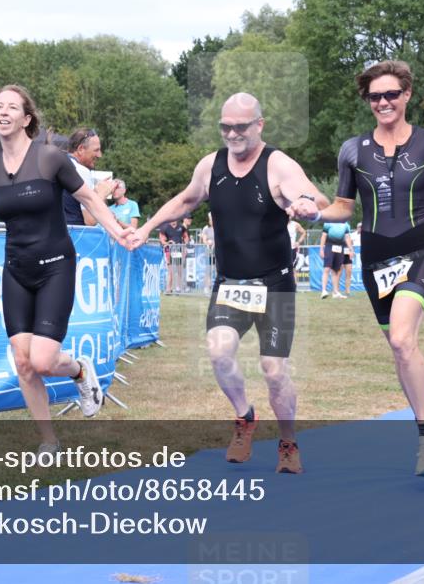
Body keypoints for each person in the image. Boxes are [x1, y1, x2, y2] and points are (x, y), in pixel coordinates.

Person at [130, 92, 330, 474]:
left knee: (274, 370)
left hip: (275, 285)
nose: (233, 134)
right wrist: (149, 226)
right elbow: (187, 200)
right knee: (219, 354)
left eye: (241, 127)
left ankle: (288, 441)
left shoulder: (278, 164)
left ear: (260, 125)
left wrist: (307, 204)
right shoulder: (211, 165)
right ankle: (244, 417)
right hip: (230, 283)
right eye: (226, 127)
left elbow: (309, 193)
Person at [0, 85, 133, 454]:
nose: (3, 112)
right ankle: (48, 439)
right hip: (17, 272)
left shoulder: (50, 159)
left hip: (56, 267)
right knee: (24, 363)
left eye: (12, 107)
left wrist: (118, 230)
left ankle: (79, 371)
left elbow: (88, 197)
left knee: (42, 359)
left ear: (26, 119)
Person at [292, 60, 424, 477]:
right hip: (375, 258)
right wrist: (314, 215)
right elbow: (343, 208)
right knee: (399, 347)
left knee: (404, 340)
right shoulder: (353, 150)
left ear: (406, 95)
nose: (383, 102)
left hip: (422, 249)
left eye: (391, 94)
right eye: (375, 97)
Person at [62, 128, 116, 226]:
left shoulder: (59, 164)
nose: (100, 155)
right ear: (81, 149)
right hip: (75, 237)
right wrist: (102, 193)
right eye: (96, 150)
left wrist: (94, 193)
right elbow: (90, 220)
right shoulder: (81, 171)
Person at [319, 222, 351, 298]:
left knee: (336, 270)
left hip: (340, 247)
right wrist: (321, 249)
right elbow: (324, 235)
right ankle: (323, 291)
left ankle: (335, 292)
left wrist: (351, 249)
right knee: (326, 268)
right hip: (329, 246)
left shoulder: (345, 224)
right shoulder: (328, 223)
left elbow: (347, 237)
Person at [157, 216, 189, 294]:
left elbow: (186, 237)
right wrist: (168, 243)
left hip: (178, 250)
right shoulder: (165, 228)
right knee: (170, 270)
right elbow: (162, 239)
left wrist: (185, 245)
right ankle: (169, 289)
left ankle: (178, 287)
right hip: (169, 250)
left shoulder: (181, 227)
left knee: (178, 270)